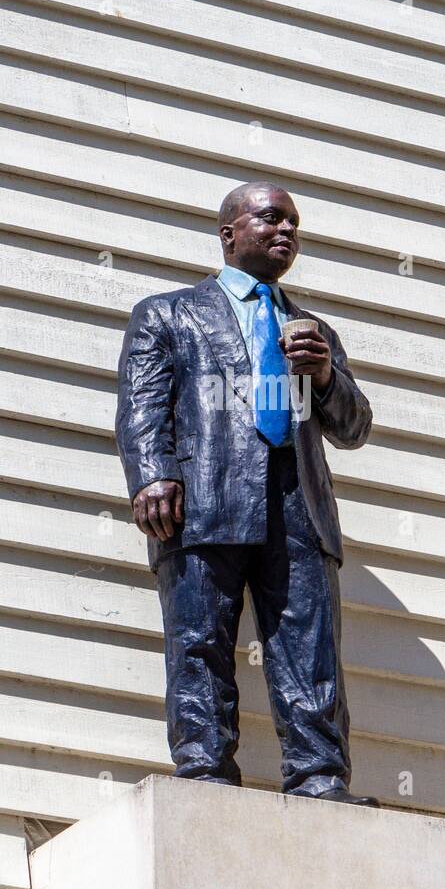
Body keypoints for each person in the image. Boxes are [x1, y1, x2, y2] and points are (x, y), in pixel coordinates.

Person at [115, 181, 378, 806]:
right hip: (203, 500)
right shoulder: (168, 314)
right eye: (270, 219)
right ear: (228, 232)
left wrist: (324, 376)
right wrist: (152, 473)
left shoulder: (312, 330)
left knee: (309, 648)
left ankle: (320, 780)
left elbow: (354, 426)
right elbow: (142, 405)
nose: (285, 231)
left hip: (299, 509)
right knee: (199, 639)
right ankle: (203, 772)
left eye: (293, 223)